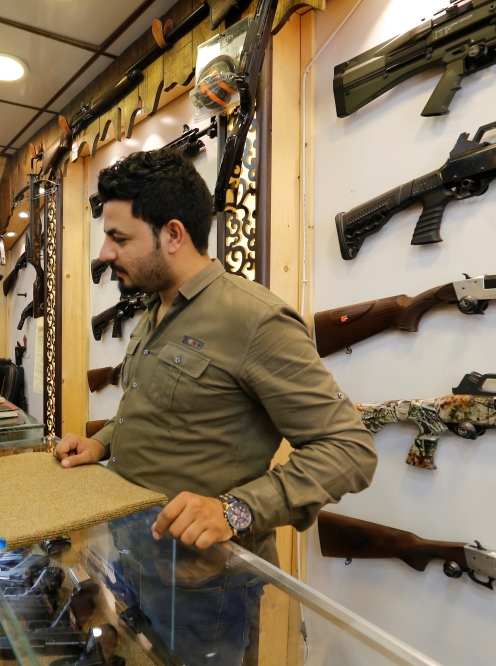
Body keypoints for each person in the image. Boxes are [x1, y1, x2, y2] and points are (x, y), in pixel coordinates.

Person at [53, 148, 377, 664]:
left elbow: (350, 448)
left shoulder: (254, 319)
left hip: (206, 586)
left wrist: (236, 509)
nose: (106, 253)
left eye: (118, 237)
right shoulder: (155, 312)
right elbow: (155, 410)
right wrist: (101, 443)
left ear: (173, 235)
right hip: (137, 557)